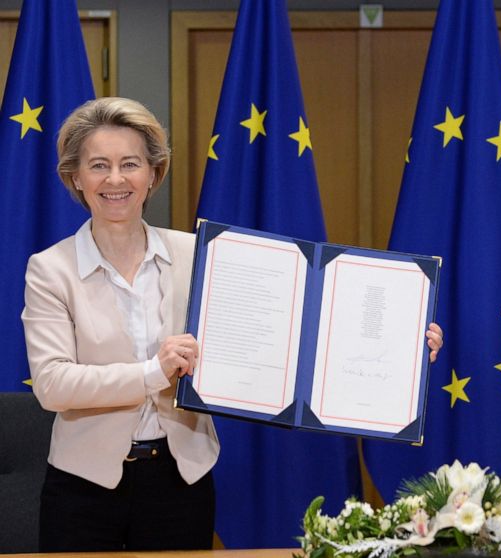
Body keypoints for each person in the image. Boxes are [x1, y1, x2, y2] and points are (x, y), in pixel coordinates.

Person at [22, 97, 444, 552]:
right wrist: (153, 372)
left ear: (153, 173)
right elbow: (53, 384)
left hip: (181, 479)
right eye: (98, 166)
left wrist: (399, 347)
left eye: (131, 164)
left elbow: (291, 333)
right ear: (75, 177)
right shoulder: (50, 269)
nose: (116, 179)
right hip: (83, 486)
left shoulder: (202, 254)